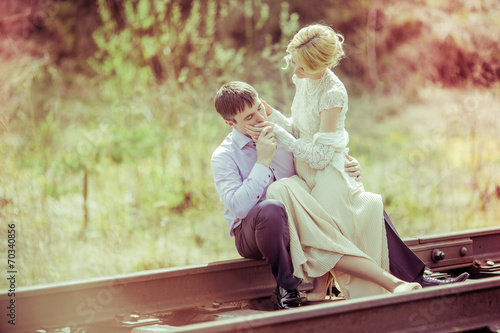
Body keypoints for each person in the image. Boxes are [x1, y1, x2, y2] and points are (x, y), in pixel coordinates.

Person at [245, 24, 467, 300]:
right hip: (306, 173)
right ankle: (327, 285)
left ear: (321, 65)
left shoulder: (333, 93)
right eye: (294, 64)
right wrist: (271, 115)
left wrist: (283, 136)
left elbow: (321, 155)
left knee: (333, 230)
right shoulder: (303, 80)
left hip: (326, 171)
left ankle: (401, 281)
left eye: (301, 68)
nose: (295, 73)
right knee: (318, 217)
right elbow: (300, 129)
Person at [211, 81, 433, 308]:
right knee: (271, 208)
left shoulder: (283, 133)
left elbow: (315, 159)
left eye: (259, 107)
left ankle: (413, 277)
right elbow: (239, 208)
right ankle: (288, 287)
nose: (259, 117)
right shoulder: (223, 156)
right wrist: (263, 161)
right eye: (249, 118)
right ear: (230, 122)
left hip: (300, 216)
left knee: (365, 204)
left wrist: (348, 165)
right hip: (256, 233)